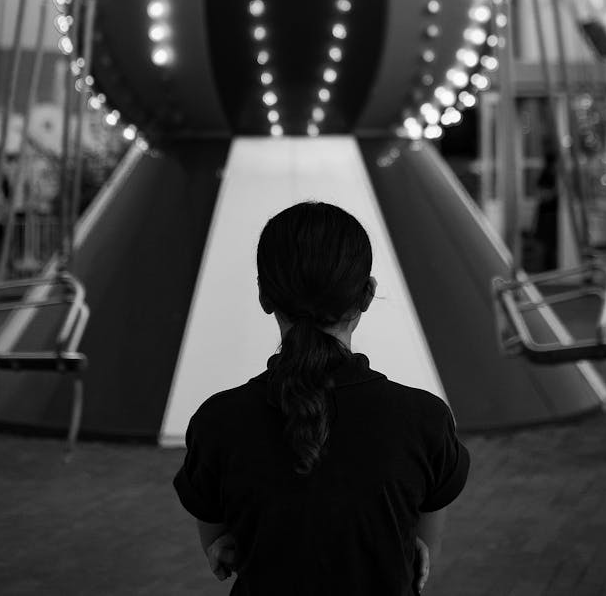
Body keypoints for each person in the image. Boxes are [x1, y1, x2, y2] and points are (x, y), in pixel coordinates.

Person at [173, 201, 470, 595]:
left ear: (264, 295)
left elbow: (220, 540)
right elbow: (421, 556)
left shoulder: (217, 421)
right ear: (367, 294)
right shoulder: (425, 419)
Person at [533, 150, 559, 271]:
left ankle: (549, 267)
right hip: (547, 214)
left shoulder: (552, 176)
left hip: (550, 214)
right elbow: (542, 195)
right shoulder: (547, 176)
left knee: (550, 243)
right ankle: (543, 268)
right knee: (545, 243)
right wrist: (555, 192)